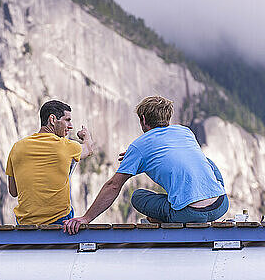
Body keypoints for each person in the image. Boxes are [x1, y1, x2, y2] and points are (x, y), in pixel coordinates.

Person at [64, 95, 228, 234]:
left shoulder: (139, 146)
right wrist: (138, 153)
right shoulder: (185, 131)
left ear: (143, 119)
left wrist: (86, 218)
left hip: (190, 214)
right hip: (220, 205)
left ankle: (161, 219)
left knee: (138, 196)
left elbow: (113, 185)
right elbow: (177, 158)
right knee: (206, 162)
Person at [6, 100, 94, 225]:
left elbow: (13, 191)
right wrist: (86, 136)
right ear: (52, 119)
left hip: (25, 222)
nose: (70, 126)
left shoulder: (17, 147)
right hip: (59, 221)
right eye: (67, 120)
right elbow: (89, 149)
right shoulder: (66, 146)